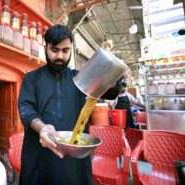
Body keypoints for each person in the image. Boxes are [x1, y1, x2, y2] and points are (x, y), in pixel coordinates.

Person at [18, 24, 122, 185]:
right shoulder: (31, 79)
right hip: (40, 157)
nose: (60, 55)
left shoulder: (80, 78)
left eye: (65, 51)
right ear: (46, 48)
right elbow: (26, 110)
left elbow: (109, 91)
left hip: (74, 160)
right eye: (54, 49)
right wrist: (42, 128)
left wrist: (113, 77)